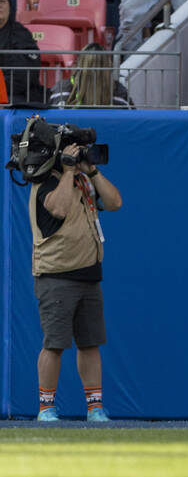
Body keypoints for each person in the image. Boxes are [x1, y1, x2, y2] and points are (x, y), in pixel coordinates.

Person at [17, 115, 121, 422]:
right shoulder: (45, 184)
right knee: (55, 344)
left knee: (90, 344)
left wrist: (92, 171)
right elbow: (59, 208)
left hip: (89, 275)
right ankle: (46, 407)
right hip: (56, 276)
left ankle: (95, 407)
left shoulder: (83, 180)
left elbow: (115, 203)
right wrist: (67, 171)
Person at [49, 43, 134, 108]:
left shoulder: (62, 88)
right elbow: (133, 120)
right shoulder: (119, 91)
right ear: (108, 65)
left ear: (80, 64)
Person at [0, 0, 44, 106]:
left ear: (10, 7)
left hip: (16, 97)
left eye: (2, 1)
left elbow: (24, 77)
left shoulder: (21, 34)